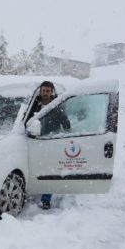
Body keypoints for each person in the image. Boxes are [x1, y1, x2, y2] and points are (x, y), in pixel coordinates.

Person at [26, 81, 70, 210]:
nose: (45, 93)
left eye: (48, 91)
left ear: (52, 92)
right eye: (43, 90)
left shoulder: (56, 105)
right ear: (40, 91)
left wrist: (67, 128)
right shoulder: (33, 104)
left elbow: (65, 122)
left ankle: (46, 199)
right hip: (33, 140)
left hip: (51, 141)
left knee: (49, 170)